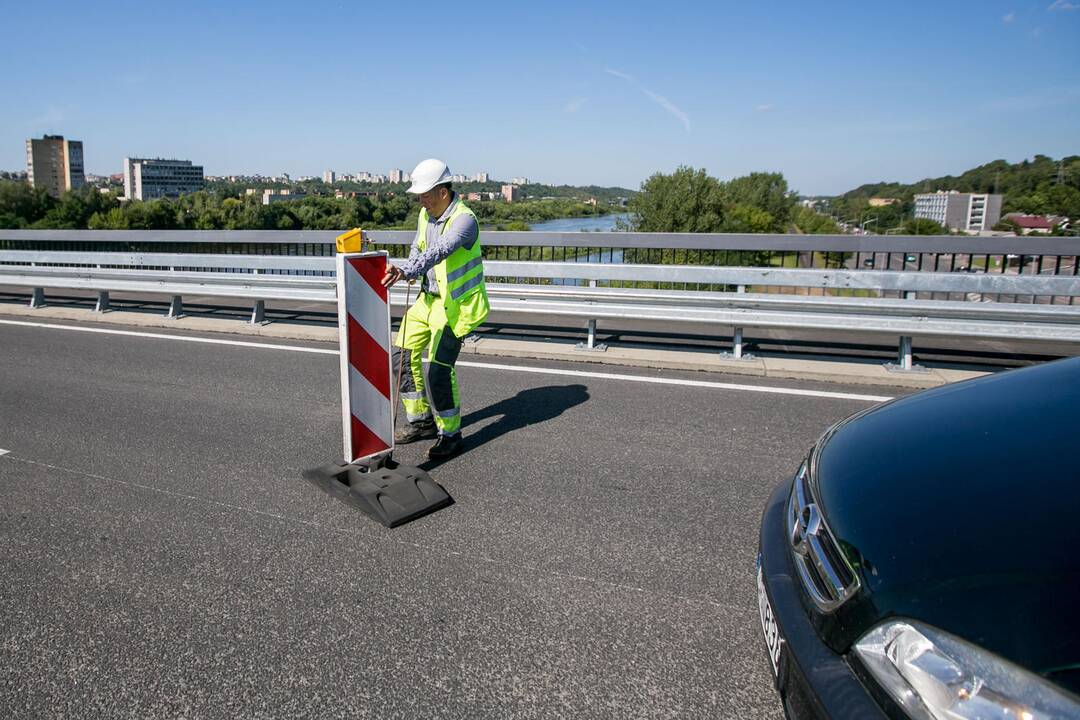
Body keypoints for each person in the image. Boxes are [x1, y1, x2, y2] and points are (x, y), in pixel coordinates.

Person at [380, 159, 489, 460]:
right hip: (427, 300)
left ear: (442, 190)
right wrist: (411, 268)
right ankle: (421, 422)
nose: (420, 199)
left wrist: (407, 269)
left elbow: (439, 250)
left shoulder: (464, 220)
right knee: (400, 356)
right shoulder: (425, 214)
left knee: (438, 371)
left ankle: (451, 435)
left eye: (425, 193)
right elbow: (419, 246)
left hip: (455, 307)